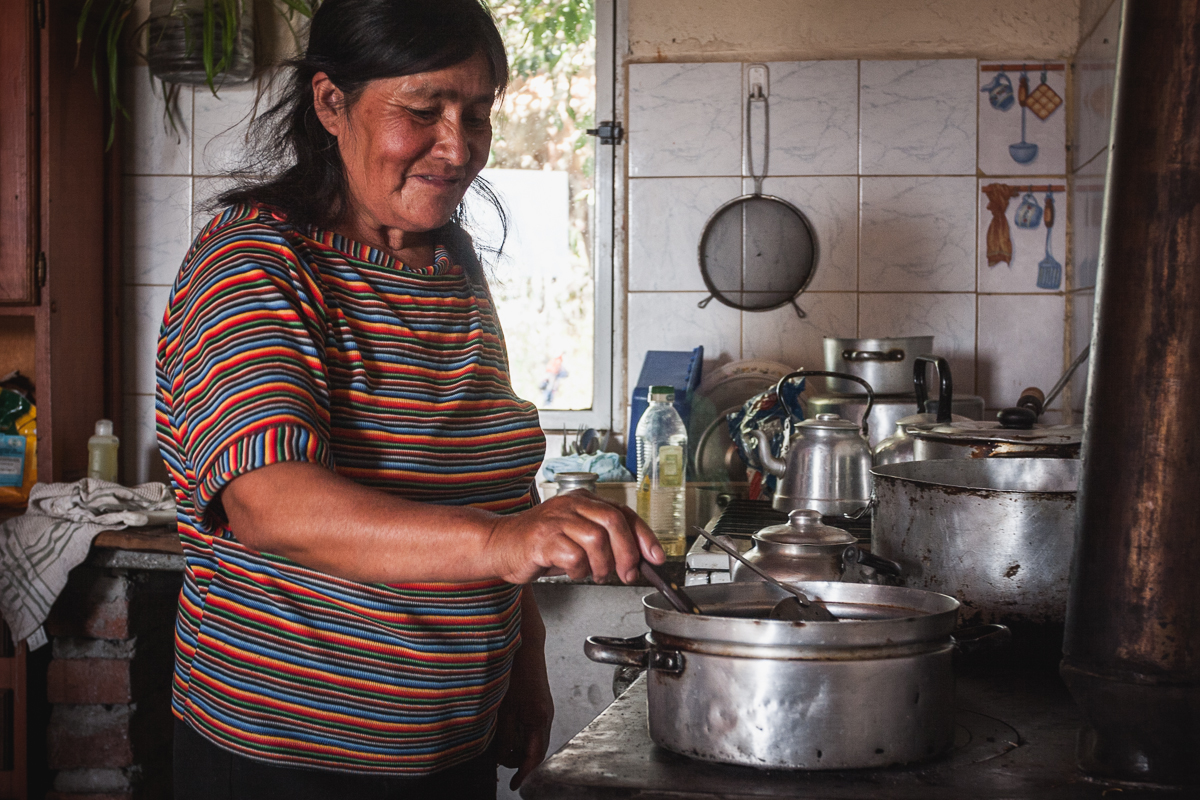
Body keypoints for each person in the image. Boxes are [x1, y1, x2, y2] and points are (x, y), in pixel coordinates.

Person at [155, 1, 662, 797]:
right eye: (422, 112)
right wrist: (506, 544)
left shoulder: (449, 261)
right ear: (331, 103)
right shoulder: (256, 264)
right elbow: (271, 503)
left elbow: (492, 476)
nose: (458, 148)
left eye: (478, 114)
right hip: (288, 759)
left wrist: (524, 660)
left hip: (450, 748)